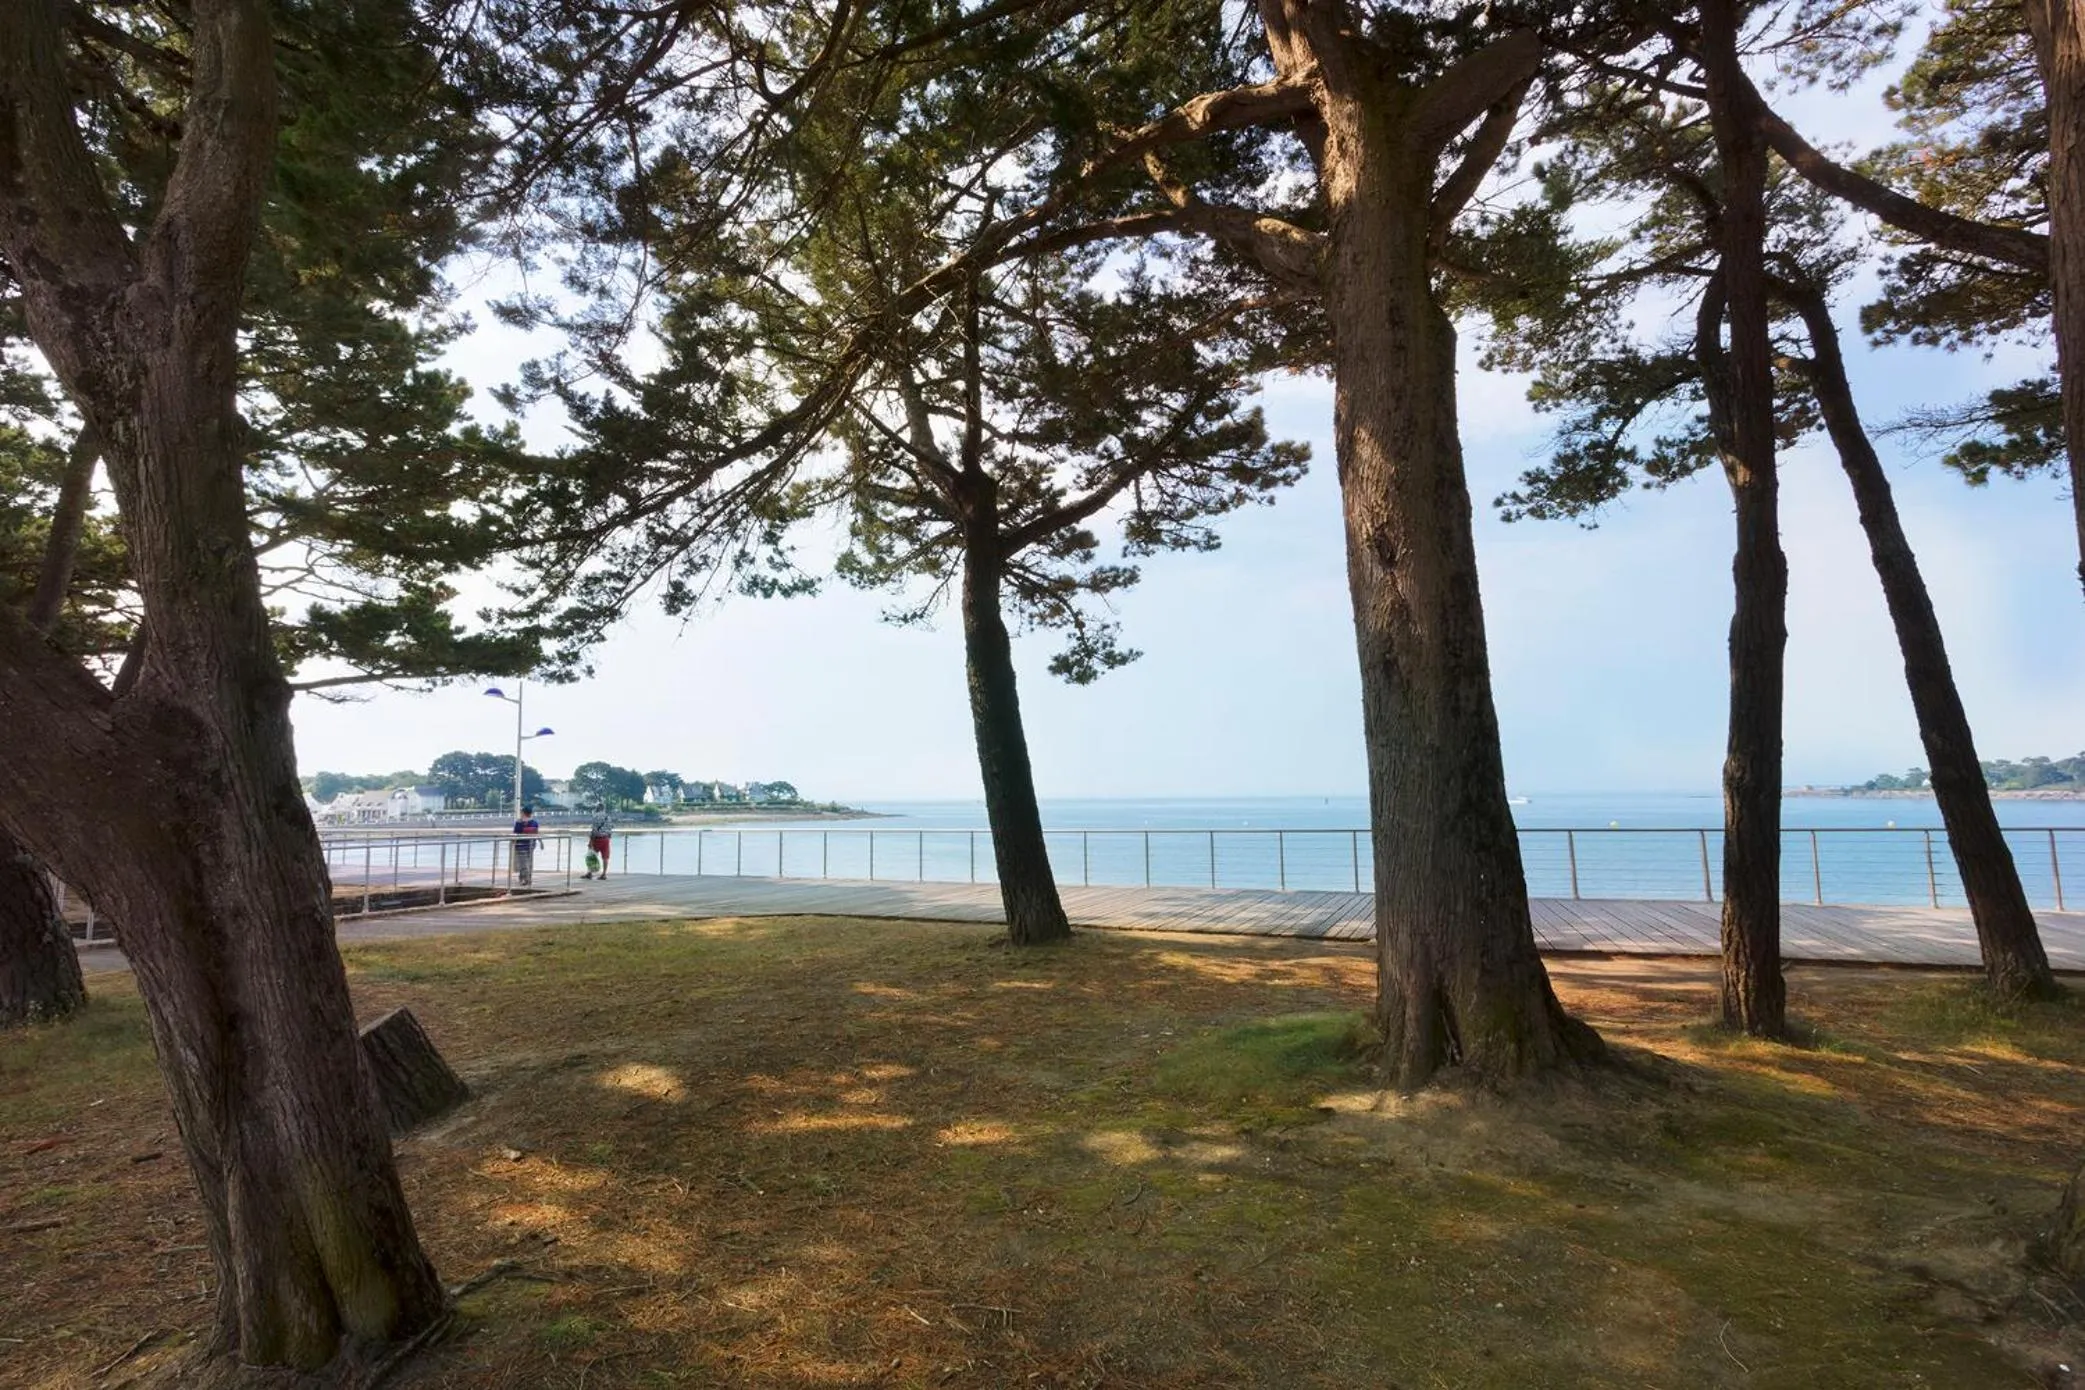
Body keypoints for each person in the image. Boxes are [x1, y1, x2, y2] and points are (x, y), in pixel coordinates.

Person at [511, 804, 541, 887]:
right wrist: (541, 843)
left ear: (523, 812)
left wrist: (512, 842)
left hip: (521, 845)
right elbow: (537, 834)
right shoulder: (534, 823)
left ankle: (526, 879)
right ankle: (524, 879)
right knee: (527, 863)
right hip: (531, 845)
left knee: (524, 864)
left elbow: (515, 834)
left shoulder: (519, 823)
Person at [587, 811, 613, 880]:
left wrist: (590, 841)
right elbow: (611, 828)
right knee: (605, 857)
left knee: (591, 855)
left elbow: (594, 830)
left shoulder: (596, 816)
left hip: (597, 839)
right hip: (606, 839)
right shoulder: (608, 817)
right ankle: (604, 874)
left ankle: (590, 873)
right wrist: (608, 837)